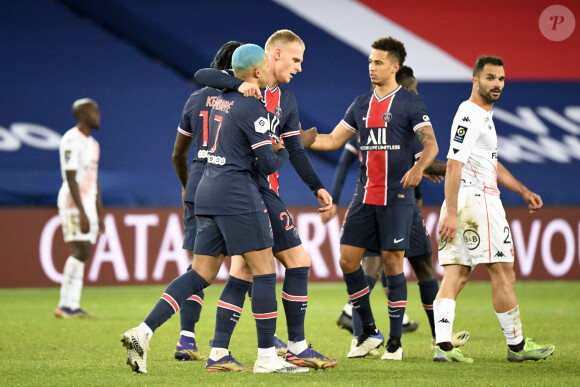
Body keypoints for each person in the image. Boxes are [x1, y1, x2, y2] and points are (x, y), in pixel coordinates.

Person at [122, 44, 306, 374]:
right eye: (264, 65)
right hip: (237, 194)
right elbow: (265, 165)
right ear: (258, 72)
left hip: (203, 191)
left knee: (201, 273)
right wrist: (284, 151)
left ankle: (144, 332)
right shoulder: (252, 107)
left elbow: (202, 78)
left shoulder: (207, 97)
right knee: (264, 270)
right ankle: (267, 358)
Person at [194, 29, 337, 371]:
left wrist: (316, 186)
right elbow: (202, 75)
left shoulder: (285, 100)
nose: (300, 68)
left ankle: (218, 353)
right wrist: (234, 84)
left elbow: (295, 147)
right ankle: (294, 346)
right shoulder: (241, 84)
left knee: (242, 270)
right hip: (247, 189)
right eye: (296, 59)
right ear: (274, 55)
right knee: (297, 262)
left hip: (264, 190)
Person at [307, 37, 439, 360]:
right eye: (369, 61)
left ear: (395, 66)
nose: (371, 67)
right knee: (347, 260)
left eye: (378, 62)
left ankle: (395, 343)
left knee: (393, 263)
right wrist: (298, 138)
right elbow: (332, 141)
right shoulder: (361, 104)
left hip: (397, 197)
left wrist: (420, 167)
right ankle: (368, 332)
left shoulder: (410, 103)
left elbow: (431, 144)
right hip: (364, 197)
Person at [327, 67, 469, 353]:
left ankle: (438, 336)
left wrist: (429, 167)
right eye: (411, 89)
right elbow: (343, 155)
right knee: (374, 265)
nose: (415, 95)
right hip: (380, 203)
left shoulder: (412, 123)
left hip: (409, 209)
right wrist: (461, 163)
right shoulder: (377, 116)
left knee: (421, 265)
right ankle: (362, 334)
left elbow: (425, 160)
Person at [434, 55, 555, 363]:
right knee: (504, 273)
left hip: (463, 201)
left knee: (456, 275)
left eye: (501, 78)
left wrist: (524, 191)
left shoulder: (483, 116)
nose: (497, 84)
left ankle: (443, 345)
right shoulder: (471, 113)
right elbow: (453, 164)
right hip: (478, 202)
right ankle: (517, 347)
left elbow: (490, 164)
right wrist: (449, 212)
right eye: (490, 78)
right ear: (475, 80)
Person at [170, 40, 245, 362]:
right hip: (229, 186)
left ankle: (186, 339)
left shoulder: (196, 98)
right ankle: (273, 338)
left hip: (198, 187)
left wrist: (187, 186)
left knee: (198, 268)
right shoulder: (240, 98)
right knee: (250, 263)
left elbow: (177, 154)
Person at [54, 98, 104, 319]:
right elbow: (71, 177)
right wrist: (82, 211)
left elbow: (94, 180)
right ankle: (65, 305)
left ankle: (72, 305)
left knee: (85, 252)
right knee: (80, 250)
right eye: (94, 111)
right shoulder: (70, 140)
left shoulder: (93, 144)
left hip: (89, 203)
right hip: (73, 202)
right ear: (83, 115)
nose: (98, 115)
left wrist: (99, 213)